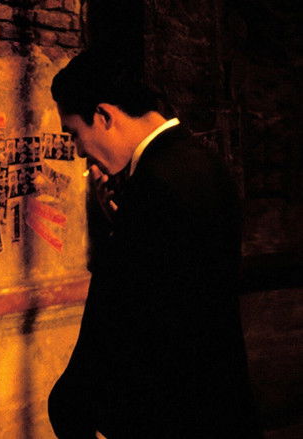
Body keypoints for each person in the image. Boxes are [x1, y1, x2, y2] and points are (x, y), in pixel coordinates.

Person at [47, 50, 259, 438]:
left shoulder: (153, 186)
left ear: (104, 115)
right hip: (221, 403)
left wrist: (71, 401)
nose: (78, 151)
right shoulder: (206, 164)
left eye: (74, 133)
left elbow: (125, 314)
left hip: (172, 415)